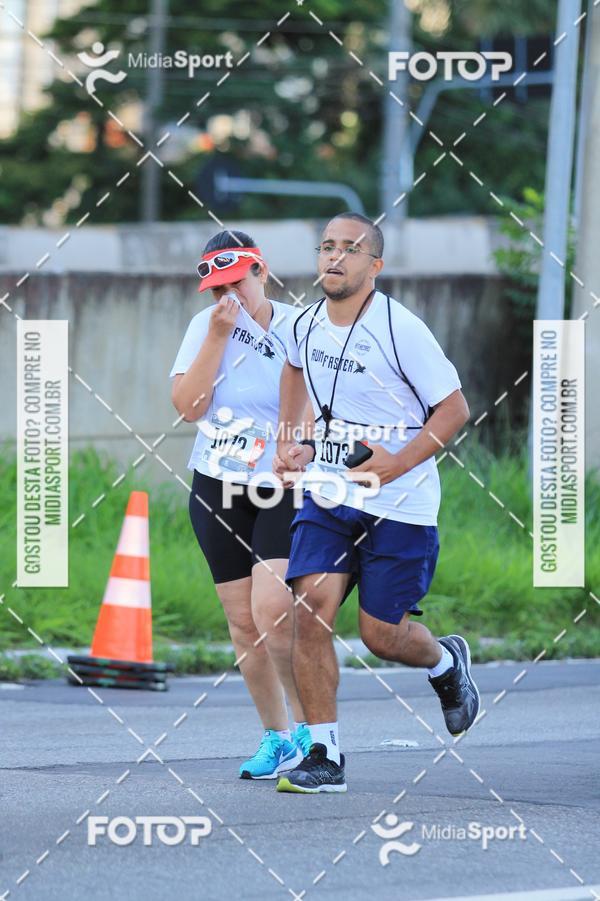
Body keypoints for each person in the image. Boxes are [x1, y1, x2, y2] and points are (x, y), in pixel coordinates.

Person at [273, 211, 480, 794]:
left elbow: (455, 409)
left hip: (402, 502)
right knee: (308, 611)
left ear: (375, 265)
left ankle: (444, 662)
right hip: (329, 491)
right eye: (326, 247)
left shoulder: (400, 329)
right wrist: (291, 440)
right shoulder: (305, 323)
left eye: (350, 249)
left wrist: (396, 464)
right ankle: (324, 754)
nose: (334, 258)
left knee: (380, 636)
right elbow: (292, 368)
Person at [170, 230, 312, 779]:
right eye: (216, 289)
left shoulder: (303, 327)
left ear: (263, 272)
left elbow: (324, 406)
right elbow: (187, 406)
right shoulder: (205, 328)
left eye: (238, 282)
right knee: (241, 622)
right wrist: (216, 337)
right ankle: (276, 736)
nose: (228, 296)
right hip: (217, 484)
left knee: (273, 611)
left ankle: (310, 733)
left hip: (280, 482)